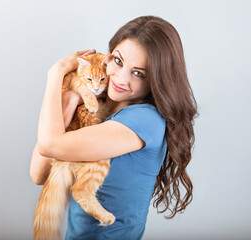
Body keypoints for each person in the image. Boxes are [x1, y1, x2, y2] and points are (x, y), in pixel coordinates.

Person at [30, 15, 198, 239]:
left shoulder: (144, 120)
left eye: (138, 73)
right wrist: (69, 101)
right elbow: (39, 173)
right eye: (118, 61)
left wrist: (55, 74)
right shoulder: (95, 106)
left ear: (156, 80)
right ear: (107, 58)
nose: (120, 78)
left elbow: (49, 143)